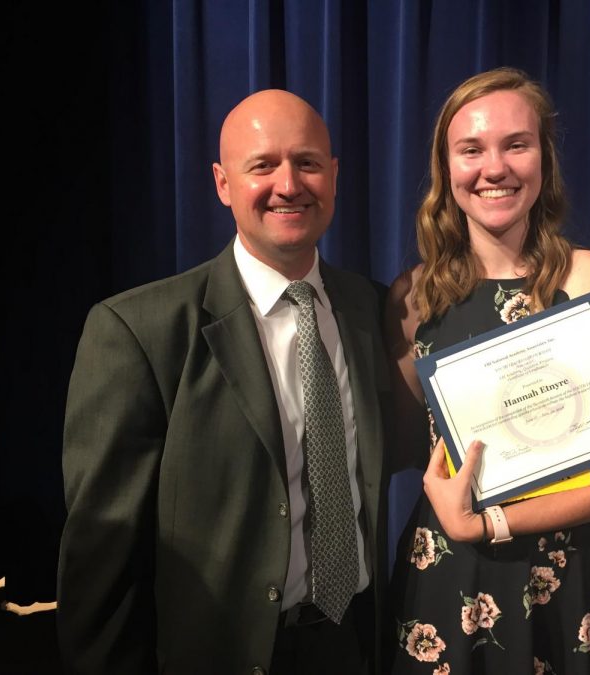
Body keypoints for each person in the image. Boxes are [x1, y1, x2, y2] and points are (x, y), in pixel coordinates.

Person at [57, 89, 389, 675]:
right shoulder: (137, 331)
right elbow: (101, 562)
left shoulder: (372, 311)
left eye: (307, 162)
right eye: (262, 165)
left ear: (334, 175)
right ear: (222, 182)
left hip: (354, 645)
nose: (288, 184)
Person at [385, 67, 590, 674]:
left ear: (544, 159)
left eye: (517, 145)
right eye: (471, 149)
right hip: (450, 580)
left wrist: (489, 521)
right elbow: (414, 447)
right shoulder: (412, 301)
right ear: (445, 168)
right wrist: (466, 523)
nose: (495, 167)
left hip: (568, 583)